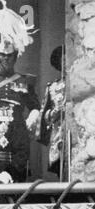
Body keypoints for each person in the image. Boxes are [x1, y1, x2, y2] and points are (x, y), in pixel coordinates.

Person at [0, 40, 41, 133]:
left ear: (15, 57)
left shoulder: (24, 81)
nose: (6, 58)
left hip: (17, 131)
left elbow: (35, 107)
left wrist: (29, 122)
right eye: (3, 55)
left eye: (9, 55)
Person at [36, 46, 66, 179]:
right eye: (62, 58)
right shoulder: (52, 87)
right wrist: (53, 113)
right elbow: (44, 116)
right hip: (59, 136)